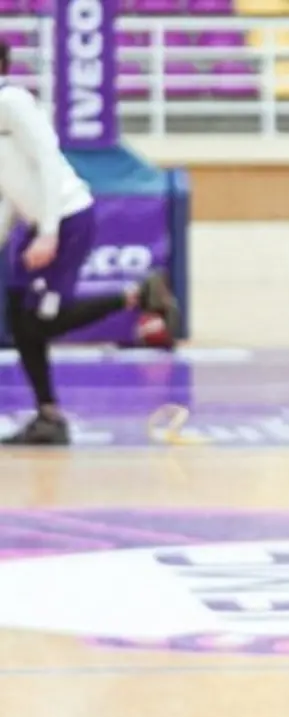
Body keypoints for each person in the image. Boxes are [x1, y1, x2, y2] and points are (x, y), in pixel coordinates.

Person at [0, 40, 180, 446]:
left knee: (41, 320)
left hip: (66, 219)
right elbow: (10, 185)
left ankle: (136, 296)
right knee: (18, 318)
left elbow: (48, 159)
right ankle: (48, 415)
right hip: (35, 222)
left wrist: (49, 231)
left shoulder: (13, 101)